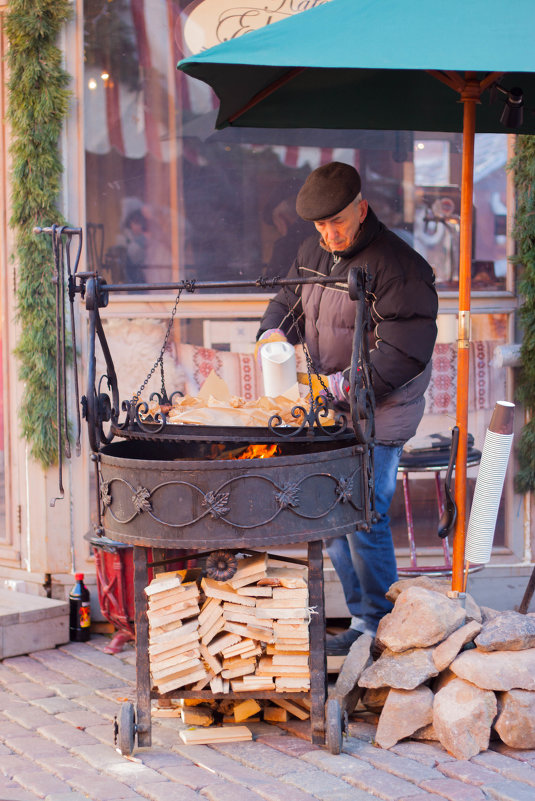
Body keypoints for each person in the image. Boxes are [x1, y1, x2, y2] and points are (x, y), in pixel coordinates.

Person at [256, 162, 438, 654]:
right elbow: (287, 303)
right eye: (320, 226)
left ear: (361, 208)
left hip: (382, 408)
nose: (329, 234)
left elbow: (404, 353)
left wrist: (344, 385)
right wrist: (273, 334)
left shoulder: (399, 266)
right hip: (334, 405)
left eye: (337, 222)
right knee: (329, 514)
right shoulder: (314, 250)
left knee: (366, 516)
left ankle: (380, 625)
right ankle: (361, 619)